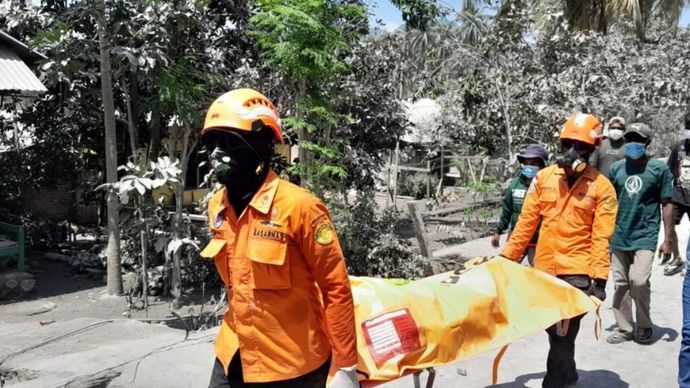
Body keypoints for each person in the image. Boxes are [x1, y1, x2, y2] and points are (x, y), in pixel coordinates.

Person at [199, 88, 358, 388]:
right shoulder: (216, 207)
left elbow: (335, 288)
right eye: (214, 141)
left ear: (260, 145)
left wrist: (347, 365)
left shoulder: (300, 207)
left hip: (292, 367)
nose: (218, 152)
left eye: (230, 141)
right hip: (234, 353)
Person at [500, 113, 618, 388]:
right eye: (569, 143)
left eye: (582, 147)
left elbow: (602, 236)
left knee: (564, 332)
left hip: (577, 273)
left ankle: (554, 380)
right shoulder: (543, 179)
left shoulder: (602, 188)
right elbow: (526, 223)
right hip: (544, 270)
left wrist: (599, 280)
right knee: (554, 332)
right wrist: (507, 258)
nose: (573, 152)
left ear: (592, 150)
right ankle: (569, 372)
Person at [604, 123, 674, 345]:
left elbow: (667, 203)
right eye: (629, 138)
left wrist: (669, 239)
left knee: (639, 280)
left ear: (647, 142)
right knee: (621, 283)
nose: (633, 143)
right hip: (619, 234)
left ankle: (644, 324)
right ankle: (625, 328)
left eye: (638, 139)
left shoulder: (658, 169)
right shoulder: (616, 169)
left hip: (645, 234)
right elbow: (607, 202)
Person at [491, 144, 549, 265]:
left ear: (543, 165)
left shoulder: (548, 186)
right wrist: (498, 231)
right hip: (517, 236)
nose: (529, 167)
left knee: (538, 271)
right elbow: (507, 209)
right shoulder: (515, 184)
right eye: (527, 163)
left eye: (534, 164)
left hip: (538, 238)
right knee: (508, 267)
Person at [665, 112, 690, 276]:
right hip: (679, 195)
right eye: (688, 127)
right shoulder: (679, 147)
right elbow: (670, 168)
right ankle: (677, 257)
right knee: (668, 224)